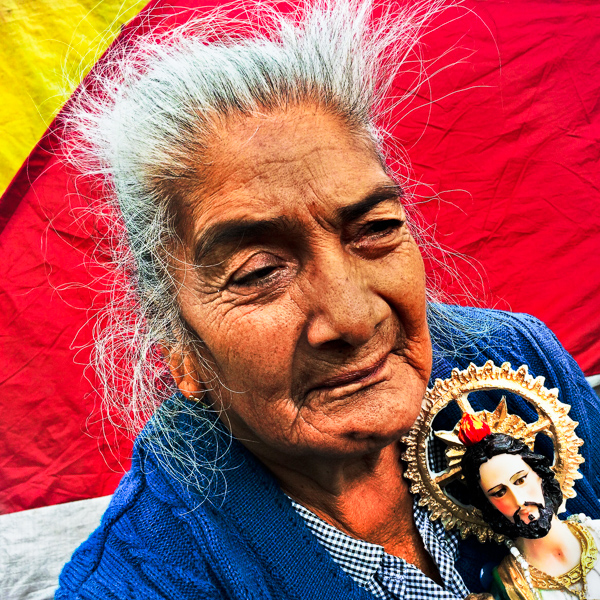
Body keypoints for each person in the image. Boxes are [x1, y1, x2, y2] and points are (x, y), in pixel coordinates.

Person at [55, 0, 600, 598]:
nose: (354, 317)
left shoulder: (517, 366)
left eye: (375, 229)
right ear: (179, 346)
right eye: (260, 270)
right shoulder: (145, 578)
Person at [460, 423, 600, 599]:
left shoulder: (597, 532)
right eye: (499, 493)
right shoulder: (510, 585)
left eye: (520, 480)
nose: (520, 501)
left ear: (539, 474)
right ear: (489, 506)